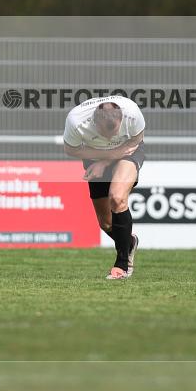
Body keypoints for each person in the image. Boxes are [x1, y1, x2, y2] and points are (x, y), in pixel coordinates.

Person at [63, 95, 145, 280]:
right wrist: (102, 159)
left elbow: (136, 140)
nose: (112, 137)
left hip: (127, 152)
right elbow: (71, 149)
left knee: (117, 198)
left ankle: (122, 265)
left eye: (115, 130)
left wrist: (107, 160)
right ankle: (129, 242)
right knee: (106, 223)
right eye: (106, 134)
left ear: (121, 118)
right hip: (94, 157)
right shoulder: (76, 121)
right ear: (94, 122)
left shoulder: (131, 112)